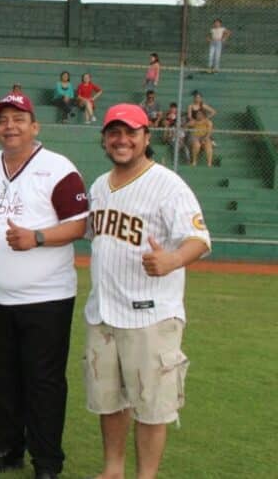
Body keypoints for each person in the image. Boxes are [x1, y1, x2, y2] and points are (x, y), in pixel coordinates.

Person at [84, 104, 210, 479]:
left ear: (146, 137)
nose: (122, 140)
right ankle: (113, 470)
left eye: (130, 133)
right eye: (114, 133)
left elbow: (199, 238)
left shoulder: (168, 184)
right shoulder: (99, 186)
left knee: (152, 406)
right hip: (103, 312)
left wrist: (172, 260)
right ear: (105, 139)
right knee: (109, 401)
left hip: (151, 314)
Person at [0, 92, 89, 479]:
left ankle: (47, 462)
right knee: (3, 380)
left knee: (43, 383)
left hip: (46, 299)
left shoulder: (58, 168)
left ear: (35, 126)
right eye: (3, 119)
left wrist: (36, 237)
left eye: (19, 119)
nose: (10, 126)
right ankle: (7, 449)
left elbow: (80, 225)